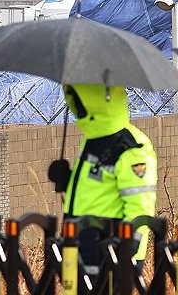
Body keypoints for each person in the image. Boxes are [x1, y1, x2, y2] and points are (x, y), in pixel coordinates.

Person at [46, 83, 157, 277]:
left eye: (77, 99)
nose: (74, 106)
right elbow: (97, 190)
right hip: (82, 242)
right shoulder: (94, 139)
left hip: (114, 250)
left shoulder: (131, 147)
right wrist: (68, 180)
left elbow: (140, 204)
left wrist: (128, 244)